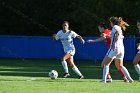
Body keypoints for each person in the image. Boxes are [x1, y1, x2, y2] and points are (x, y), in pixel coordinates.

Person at [102, 17, 133, 83]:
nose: (110, 24)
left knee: (106, 64)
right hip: (121, 48)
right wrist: (107, 36)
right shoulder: (119, 27)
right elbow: (115, 35)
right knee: (121, 65)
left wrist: (114, 44)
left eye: (110, 22)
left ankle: (104, 80)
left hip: (115, 48)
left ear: (112, 22)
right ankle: (130, 79)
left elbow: (117, 34)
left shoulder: (115, 27)